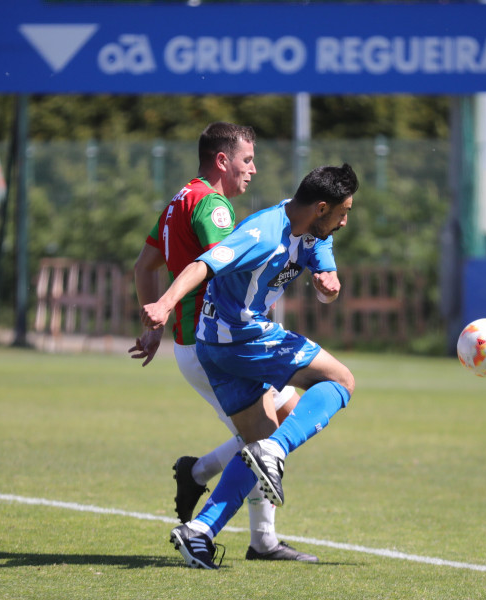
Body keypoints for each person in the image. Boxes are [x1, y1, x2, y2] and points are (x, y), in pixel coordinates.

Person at [140, 163, 358, 570]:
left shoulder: (314, 229)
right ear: (322, 207)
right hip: (240, 337)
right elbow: (202, 265)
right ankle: (274, 452)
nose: (345, 221)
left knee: (256, 443)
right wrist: (165, 304)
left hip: (215, 346)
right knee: (340, 379)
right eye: (344, 212)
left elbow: (325, 275)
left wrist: (327, 287)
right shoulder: (261, 233)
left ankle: (200, 532)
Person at [129, 122, 316, 563]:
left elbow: (143, 266)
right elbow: (226, 268)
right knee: (264, 439)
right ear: (222, 160)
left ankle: (202, 475)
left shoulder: (180, 199)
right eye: (247, 160)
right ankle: (255, 534)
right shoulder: (213, 207)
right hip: (214, 345)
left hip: (197, 343)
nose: (253, 170)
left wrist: (155, 323)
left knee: (285, 417)